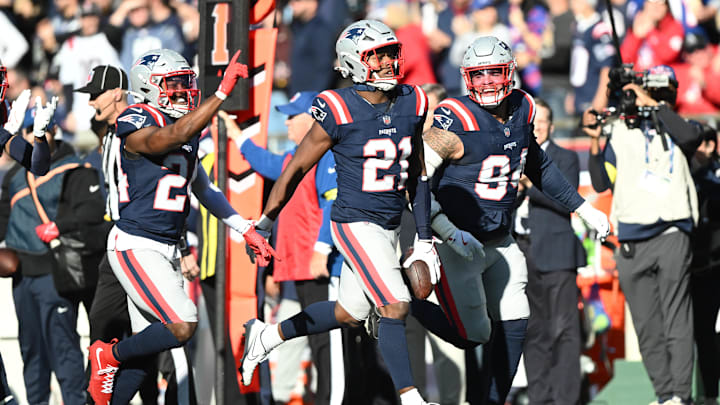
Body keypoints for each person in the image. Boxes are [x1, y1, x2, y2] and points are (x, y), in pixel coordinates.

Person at [239, 19, 442, 405]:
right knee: (394, 304)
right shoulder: (337, 107)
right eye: (375, 56)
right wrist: (264, 223)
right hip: (353, 222)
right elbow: (295, 169)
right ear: (353, 63)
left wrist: (426, 237)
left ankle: (268, 335)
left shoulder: (413, 100)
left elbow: (418, 174)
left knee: (349, 313)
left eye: (389, 53)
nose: (386, 62)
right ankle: (411, 397)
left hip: (389, 224)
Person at [409, 36, 609, 405]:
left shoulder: (523, 107)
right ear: (467, 77)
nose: (486, 81)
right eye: (478, 74)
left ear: (510, 72)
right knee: (472, 335)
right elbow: (416, 179)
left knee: (517, 321)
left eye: (494, 72)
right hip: (456, 240)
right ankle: (399, 302)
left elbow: (539, 165)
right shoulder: (455, 117)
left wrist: (583, 208)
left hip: (500, 238)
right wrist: (441, 233)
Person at [85, 48, 275, 405]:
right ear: (148, 88)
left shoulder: (185, 129)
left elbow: (202, 187)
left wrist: (245, 228)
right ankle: (106, 356)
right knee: (183, 325)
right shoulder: (136, 117)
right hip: (135, 243)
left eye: (186, 83)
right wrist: (220, 95)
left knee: (145, 356)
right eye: (172, 84)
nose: (183, 91)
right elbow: (164, 139)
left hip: (165, 247)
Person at [584, 64, 701, 405]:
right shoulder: (620, 129)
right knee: (648, 325)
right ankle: (665, 395)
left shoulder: (680, 127)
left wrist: (654, 103)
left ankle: (681, 394)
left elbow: (691, 137)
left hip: (671, 231)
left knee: (677, 317)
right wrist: (595, 143)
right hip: (633, 239)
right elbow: (602, 182)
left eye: (663, 92)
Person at [220, 89, 347, 404]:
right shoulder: (295, 157)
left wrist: (322, 247)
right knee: (316, 343)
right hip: (302, 267)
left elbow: (333, 203)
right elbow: (268, 164)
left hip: (320, 267)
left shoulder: (326, 155)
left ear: (313, 119)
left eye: (293, 116)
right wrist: (239, 138)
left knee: (329, 347)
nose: (287, 122)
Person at [0, 96, 96, 405]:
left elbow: (90, 213)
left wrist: (61, 225)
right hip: (22, 276)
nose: (31, 136)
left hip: (55, 273)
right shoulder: (13, 176)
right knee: (32, 353)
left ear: (52, 130)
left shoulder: (73, 168)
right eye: (27, 131)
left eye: (39, 130)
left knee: (63, 349)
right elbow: (3, 218)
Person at [518, 98, 586, 405]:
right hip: (521, 252)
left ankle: (565, 399)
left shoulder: (566, 158)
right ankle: (539, 398)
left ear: (552, 126)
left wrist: (528, 184)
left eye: (543, 121)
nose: (538, 127)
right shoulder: (510, 156)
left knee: (564, 330)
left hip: (557, 254)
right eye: (533, 122)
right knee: (533, 331)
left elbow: (566, 198)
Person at [689, 123, 720, 405]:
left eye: (699, 144)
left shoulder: (712, 176)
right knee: (703, 334)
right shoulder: (687, 175)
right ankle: (709, 394)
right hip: (700, 268)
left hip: (715, 264)